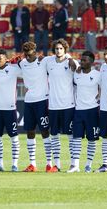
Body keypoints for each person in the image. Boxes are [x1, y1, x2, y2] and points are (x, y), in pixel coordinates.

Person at [16, 42, 50, 172]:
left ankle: (48, 163)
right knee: (30, 131)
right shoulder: (22, 63)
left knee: (44, 131)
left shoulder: (43, 62)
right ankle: (32, 164)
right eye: (26, 54)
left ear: (35, 52)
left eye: (30, 55)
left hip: (42, 100)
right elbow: (13, 63)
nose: (27, 57)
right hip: (29, 101)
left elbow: (61, 57)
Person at [46, 39, 79, 172]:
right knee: (54, 135)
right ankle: (57, 164)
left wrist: (70, 58)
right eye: (56, 48)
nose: (58, 51)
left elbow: (79, 75)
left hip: (68, 105)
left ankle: (74, 164)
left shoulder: (72, 62)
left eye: (61, 48)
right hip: (53, 105)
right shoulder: (48, 62)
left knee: (71, 136)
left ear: (65, 50)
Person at [0, 48, 21, 172]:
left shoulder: (13, 70)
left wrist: (17, 62)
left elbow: (26, 72)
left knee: (14, 137)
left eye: (0, 58)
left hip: (10, 108)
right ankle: (0, 164)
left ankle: (15, 164)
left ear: (6, 58)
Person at [69, 51, 100, 173]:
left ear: (91, 62)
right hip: (78, 110)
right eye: (81, 60)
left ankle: (88, 165)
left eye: (84, 60)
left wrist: (99, 98)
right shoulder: (76, 75)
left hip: (92, 111)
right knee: (76, 138)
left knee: (91, 139)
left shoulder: (98, 75)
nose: (82, 62)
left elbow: (104, 87)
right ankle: (75, 165)